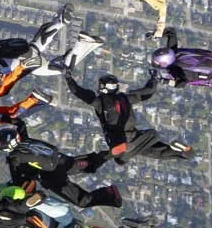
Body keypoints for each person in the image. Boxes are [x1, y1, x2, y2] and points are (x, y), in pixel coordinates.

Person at [58, 63, 192, 161]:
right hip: (130, 139)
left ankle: (182, 153)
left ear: (101, 87)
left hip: (123, 143)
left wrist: (69, 78)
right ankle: (182, 154)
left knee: (154, 144)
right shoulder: (124, 98)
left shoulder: (99, 102)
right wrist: (154, 80)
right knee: (155, 143)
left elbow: (79, 92)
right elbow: (146, 93)